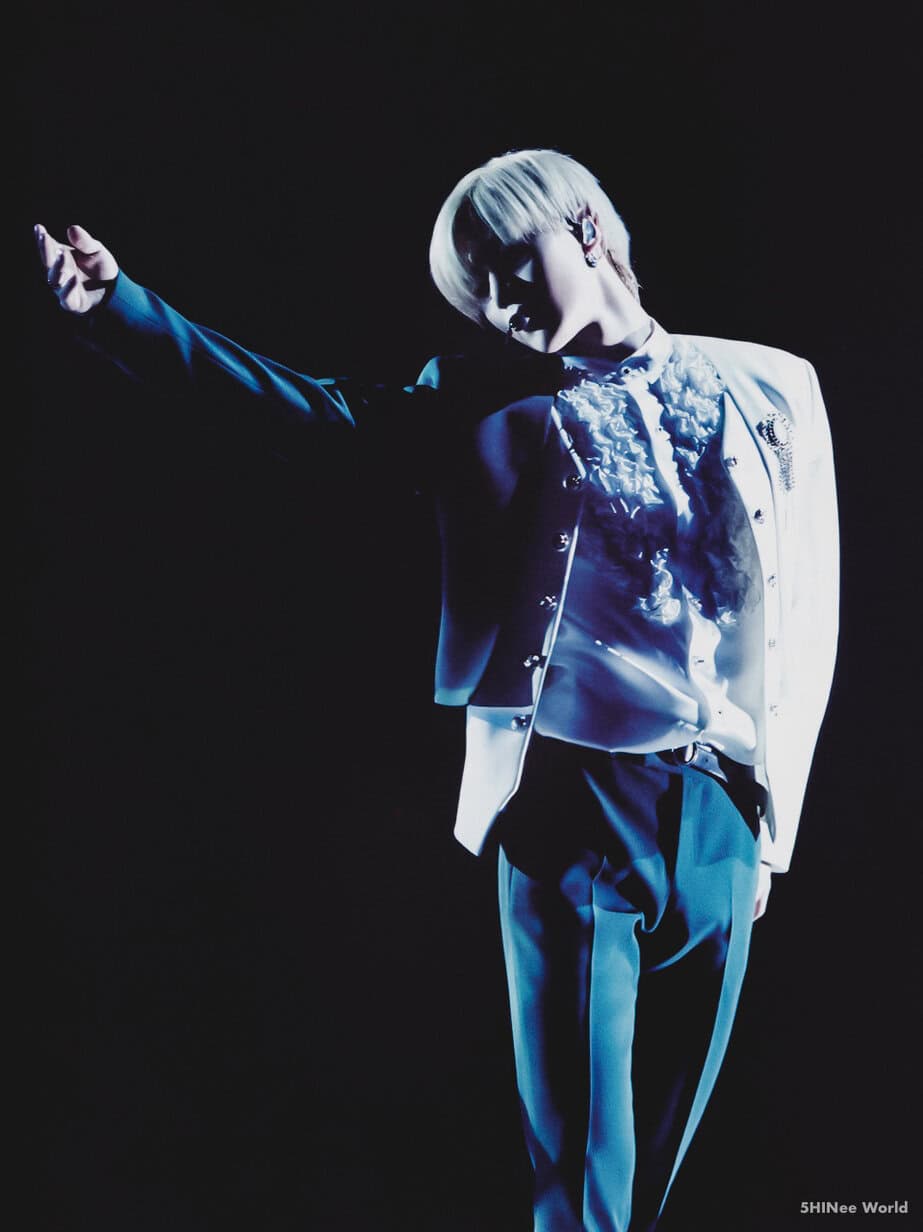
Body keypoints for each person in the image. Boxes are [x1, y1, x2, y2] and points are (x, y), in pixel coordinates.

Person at [33, 148, 839, 1232]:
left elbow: (812, 608)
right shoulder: (479, 403)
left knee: (658, 1185)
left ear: (585, 228)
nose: (500, 305)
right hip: (573, 806)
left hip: (724, 820)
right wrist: (124, 312)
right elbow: (306, 415)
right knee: (581, 1187)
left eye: (510, 265)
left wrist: (772, 829)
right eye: (478, 293)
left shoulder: (775, 383)